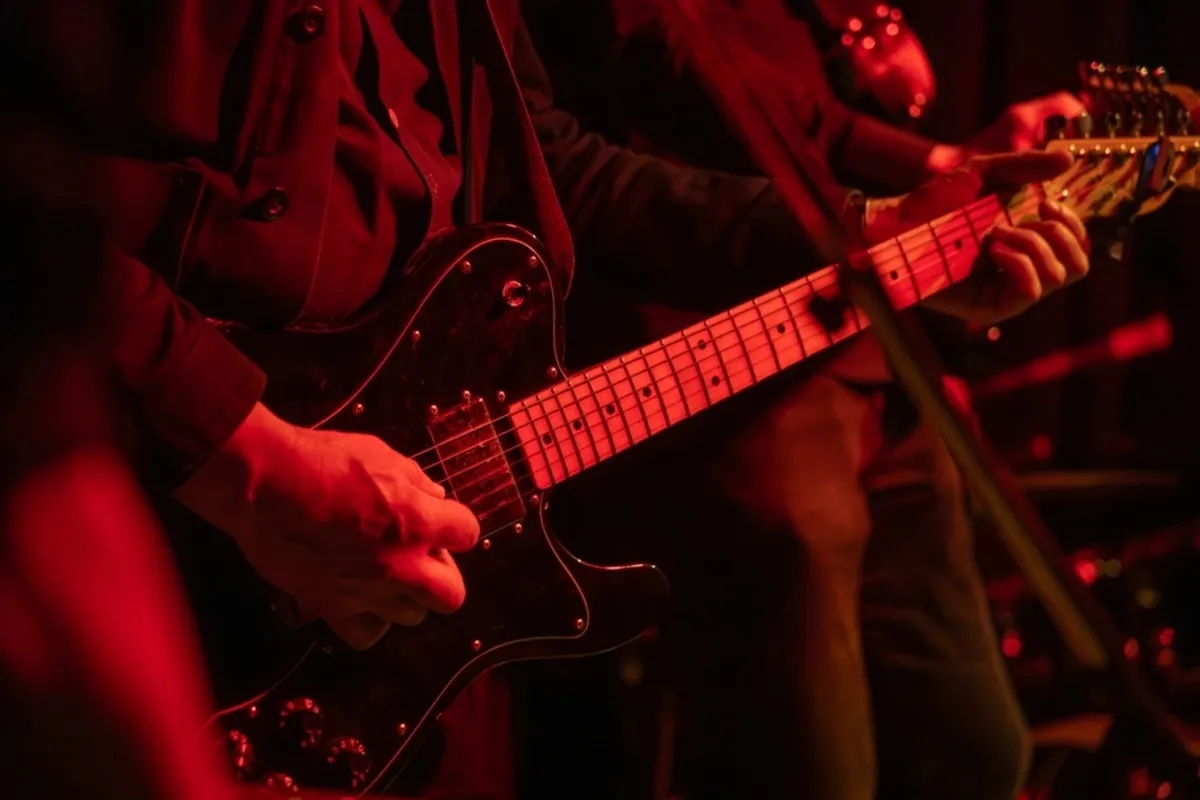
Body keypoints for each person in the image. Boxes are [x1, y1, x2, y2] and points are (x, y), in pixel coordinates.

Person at [0, 0, 1088, 797]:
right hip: (157, 528)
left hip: (426, 571)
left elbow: (563, 169)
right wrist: (247, 454)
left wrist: (871, 238)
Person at [519, 0, 1090, 798]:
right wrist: (920, 175)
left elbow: (799, 99)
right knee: (813, 769)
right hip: (729, 356)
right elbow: (677, 66)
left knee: (977, 753)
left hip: (863, 341)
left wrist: (937, 166)